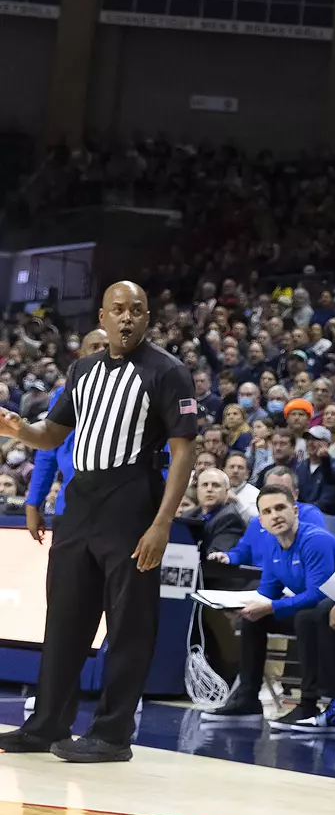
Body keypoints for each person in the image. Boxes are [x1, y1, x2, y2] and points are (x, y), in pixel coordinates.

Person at [0, 282, 197, 763]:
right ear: (103, 318)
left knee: (130, 623)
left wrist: (161, 523)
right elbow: (52, 434)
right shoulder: (82, 370)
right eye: (117, 310)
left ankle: (112, 734)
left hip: (133, 499)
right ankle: (47, 723)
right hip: (80, 501)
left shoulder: (168, 372)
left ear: (147, 318)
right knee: (65, 618)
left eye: (136, 311)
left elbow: (183, 450)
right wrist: (19, 430)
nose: (126, 318)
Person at [200, 484, 335, 730]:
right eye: (266, 512)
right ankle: (247, 697)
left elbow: (317, 594)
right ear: (261, 521)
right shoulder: (270, 545)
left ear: (295, 511)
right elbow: (268, 591)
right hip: (317, 611)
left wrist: (270, 608)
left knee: (306, 616)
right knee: (253, 619)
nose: (274, 515)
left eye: (280, 508)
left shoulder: (315, 540)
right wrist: (240, 605)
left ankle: (309, 703)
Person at [23, 328, 107, 533]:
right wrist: (33, 502)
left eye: (107, 347)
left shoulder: (135, 390)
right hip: (70, 506)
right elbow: (47, 453)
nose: (102, 351)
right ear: (82, 355)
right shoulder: (64, 394)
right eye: (95, 347)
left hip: (118, 509)